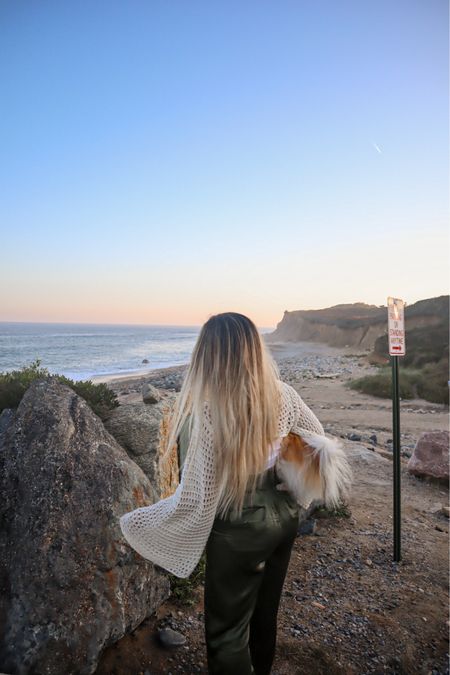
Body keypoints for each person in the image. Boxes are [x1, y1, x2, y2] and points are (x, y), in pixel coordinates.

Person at [119, 312, 347, 674]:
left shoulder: (210, 408)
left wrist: (141, 521)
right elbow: (318, 438)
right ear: (253, 349)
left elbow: (198, 496)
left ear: (209, 354)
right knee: (263, 616)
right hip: (284, 516)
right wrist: (290, 482)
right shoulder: (283, 394)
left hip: (239, 529)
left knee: (227, 634)